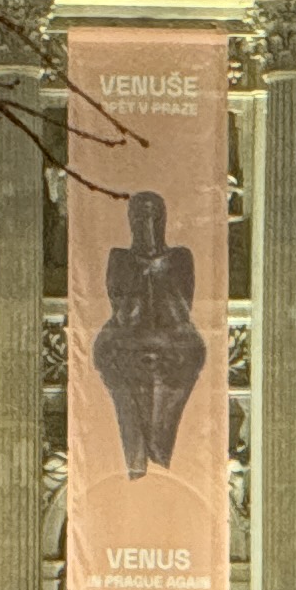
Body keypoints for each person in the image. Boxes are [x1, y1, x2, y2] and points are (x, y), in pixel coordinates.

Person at [91, 186, 206, 480]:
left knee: (164, 410)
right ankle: (140, 458)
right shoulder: (119, 258)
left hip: (174, 347)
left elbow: (181, 308)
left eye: (154, 216)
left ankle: (160, 452)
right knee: (131, 402)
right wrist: (144, 270)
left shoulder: (181, 257)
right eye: (140, 217)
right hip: (129, 346)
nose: (148, 224)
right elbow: (123, 311)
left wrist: (157, 265)